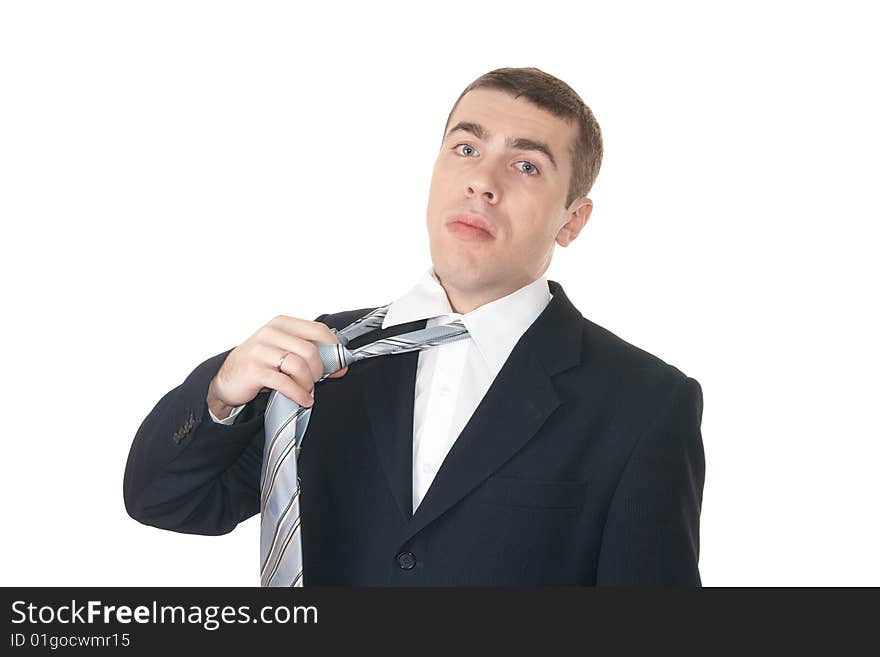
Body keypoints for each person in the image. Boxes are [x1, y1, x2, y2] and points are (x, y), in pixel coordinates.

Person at [123, 66, 706, 586]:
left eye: (526, 165)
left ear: (572, 221)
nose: (483, 181)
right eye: (466, 149)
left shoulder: (645, 404)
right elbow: (166, 502)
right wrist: (222, 394)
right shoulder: (327, 356)